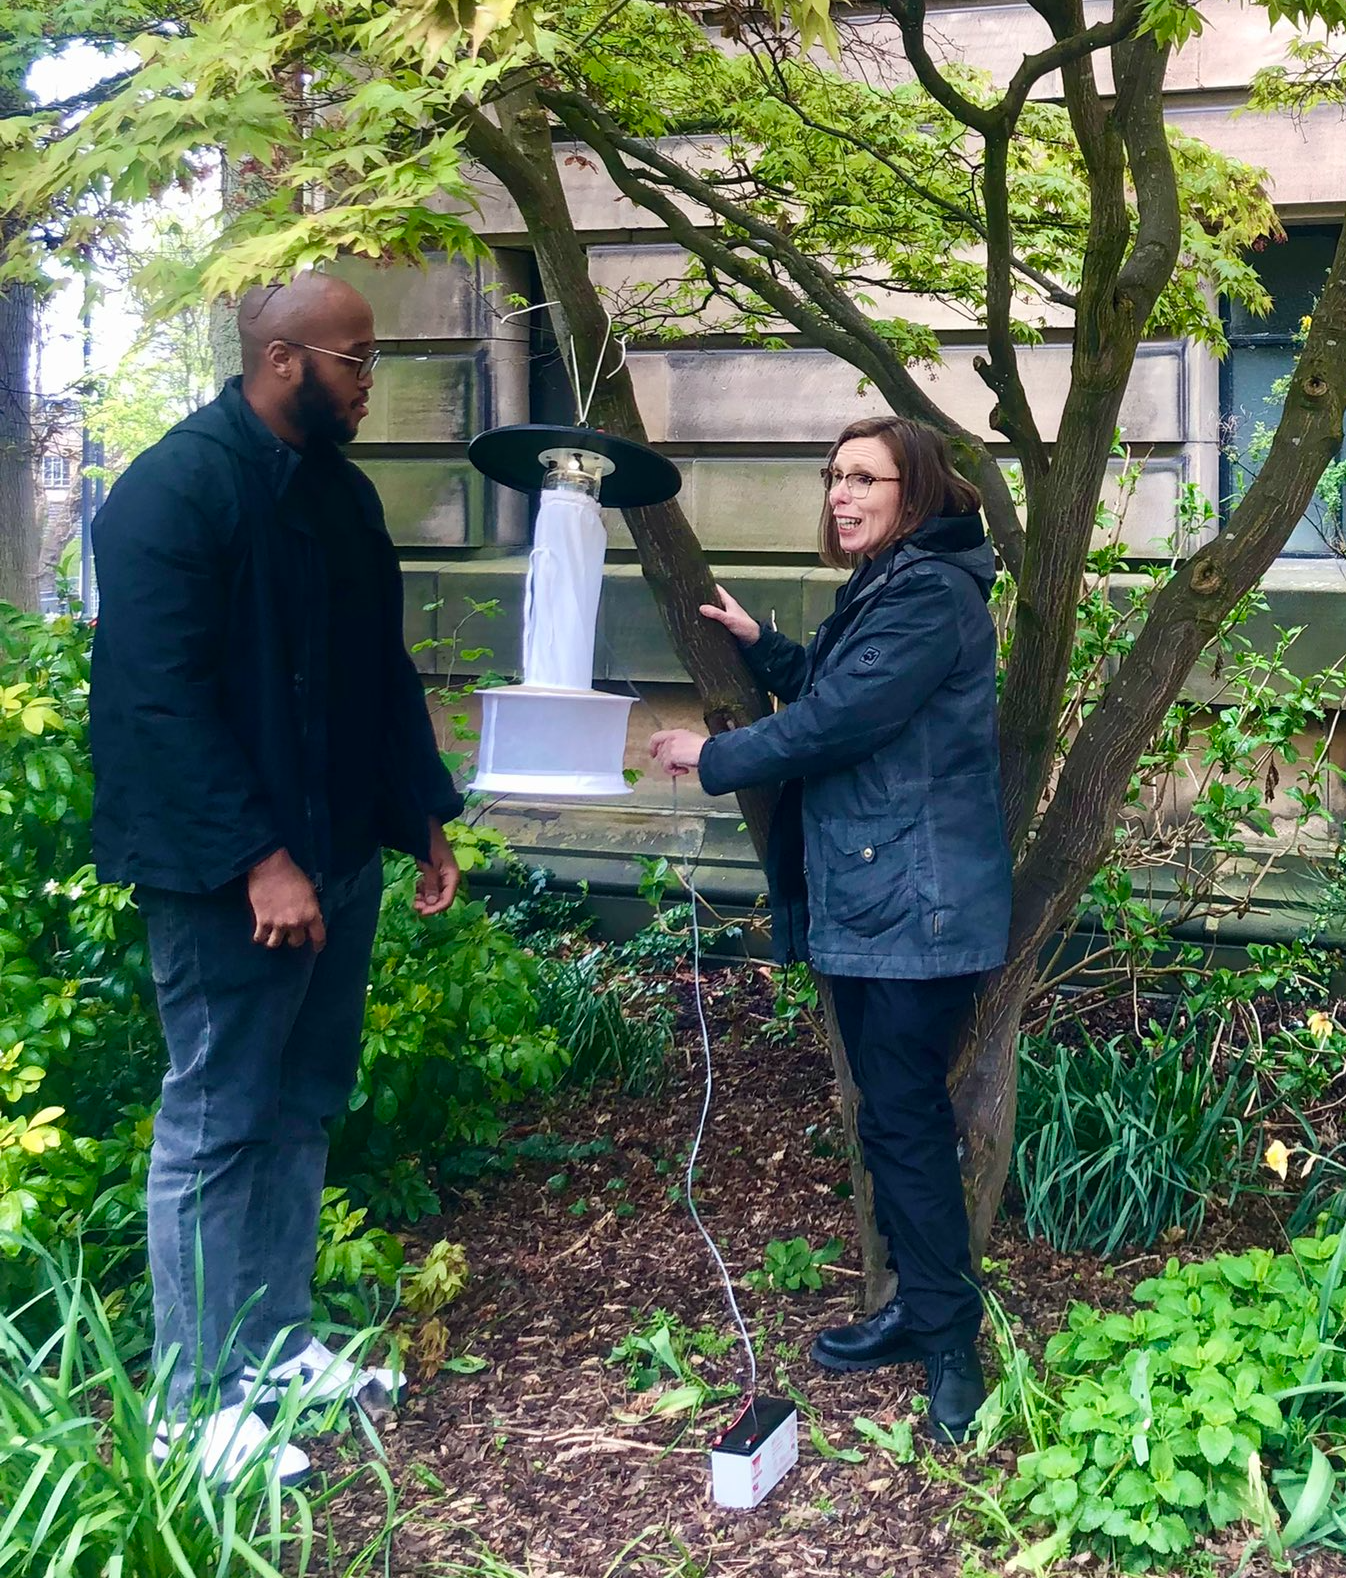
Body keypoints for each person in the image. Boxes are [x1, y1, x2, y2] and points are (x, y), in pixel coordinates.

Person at [89, 273, 464, 1483]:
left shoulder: (341, 500)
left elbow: (373, 675)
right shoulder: (172, 492)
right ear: (283, 359)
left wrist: (419, 816)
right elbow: (155, 701)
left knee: (301, 1104)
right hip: (228, 878)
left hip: (341, 853)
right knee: (217, 1118)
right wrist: (260, 860)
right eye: (356, 360)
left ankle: (270, 1347)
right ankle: (191, 1408)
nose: (371, 381)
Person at [649, 414, 1011, 1443]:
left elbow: (842, 719)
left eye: (863, 478)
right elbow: (842, 687)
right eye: (831, 477)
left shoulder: (930, 594)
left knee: (901, 1122)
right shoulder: (890, 586)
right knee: (889, 1121)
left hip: (916, 904)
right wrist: (764, 648)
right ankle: (915, 1309)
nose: (838, 495)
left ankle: (950, 1349)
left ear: (916, 490)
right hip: (880, 894)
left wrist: (709, 754)